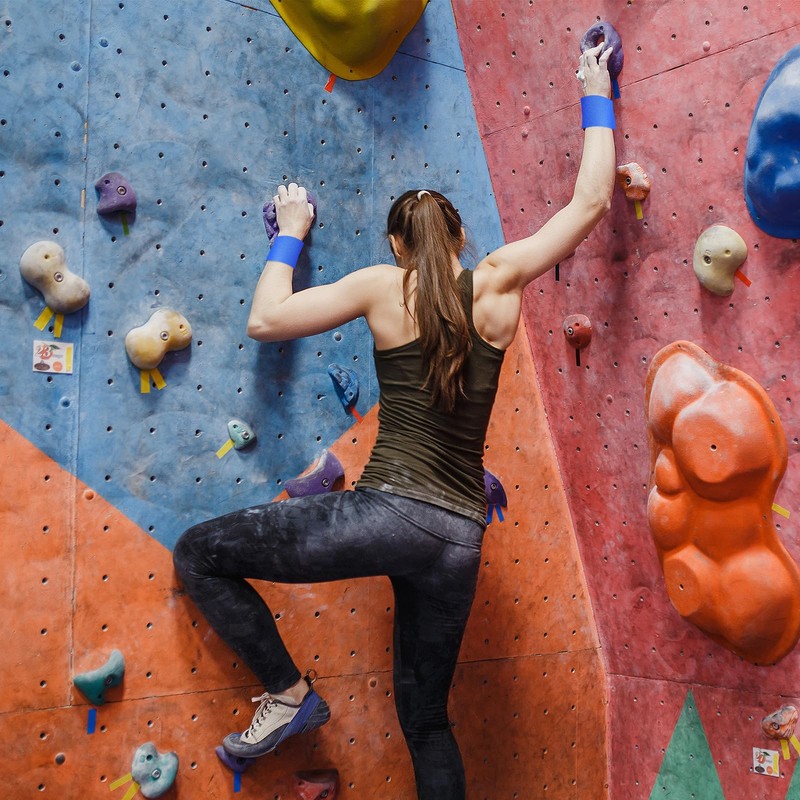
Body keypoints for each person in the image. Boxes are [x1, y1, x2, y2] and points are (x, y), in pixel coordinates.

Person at [173, 44, 615, 800]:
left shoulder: (385, 286)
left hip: (389, 514)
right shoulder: (499, 281)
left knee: (198, 552)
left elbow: (266, 319)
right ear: (461, 240)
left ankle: (286, 693)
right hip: (459, 540)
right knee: (427, 722)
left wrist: (290, 229)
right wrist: (596, 89)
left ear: (398, 245)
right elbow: (592, 203)